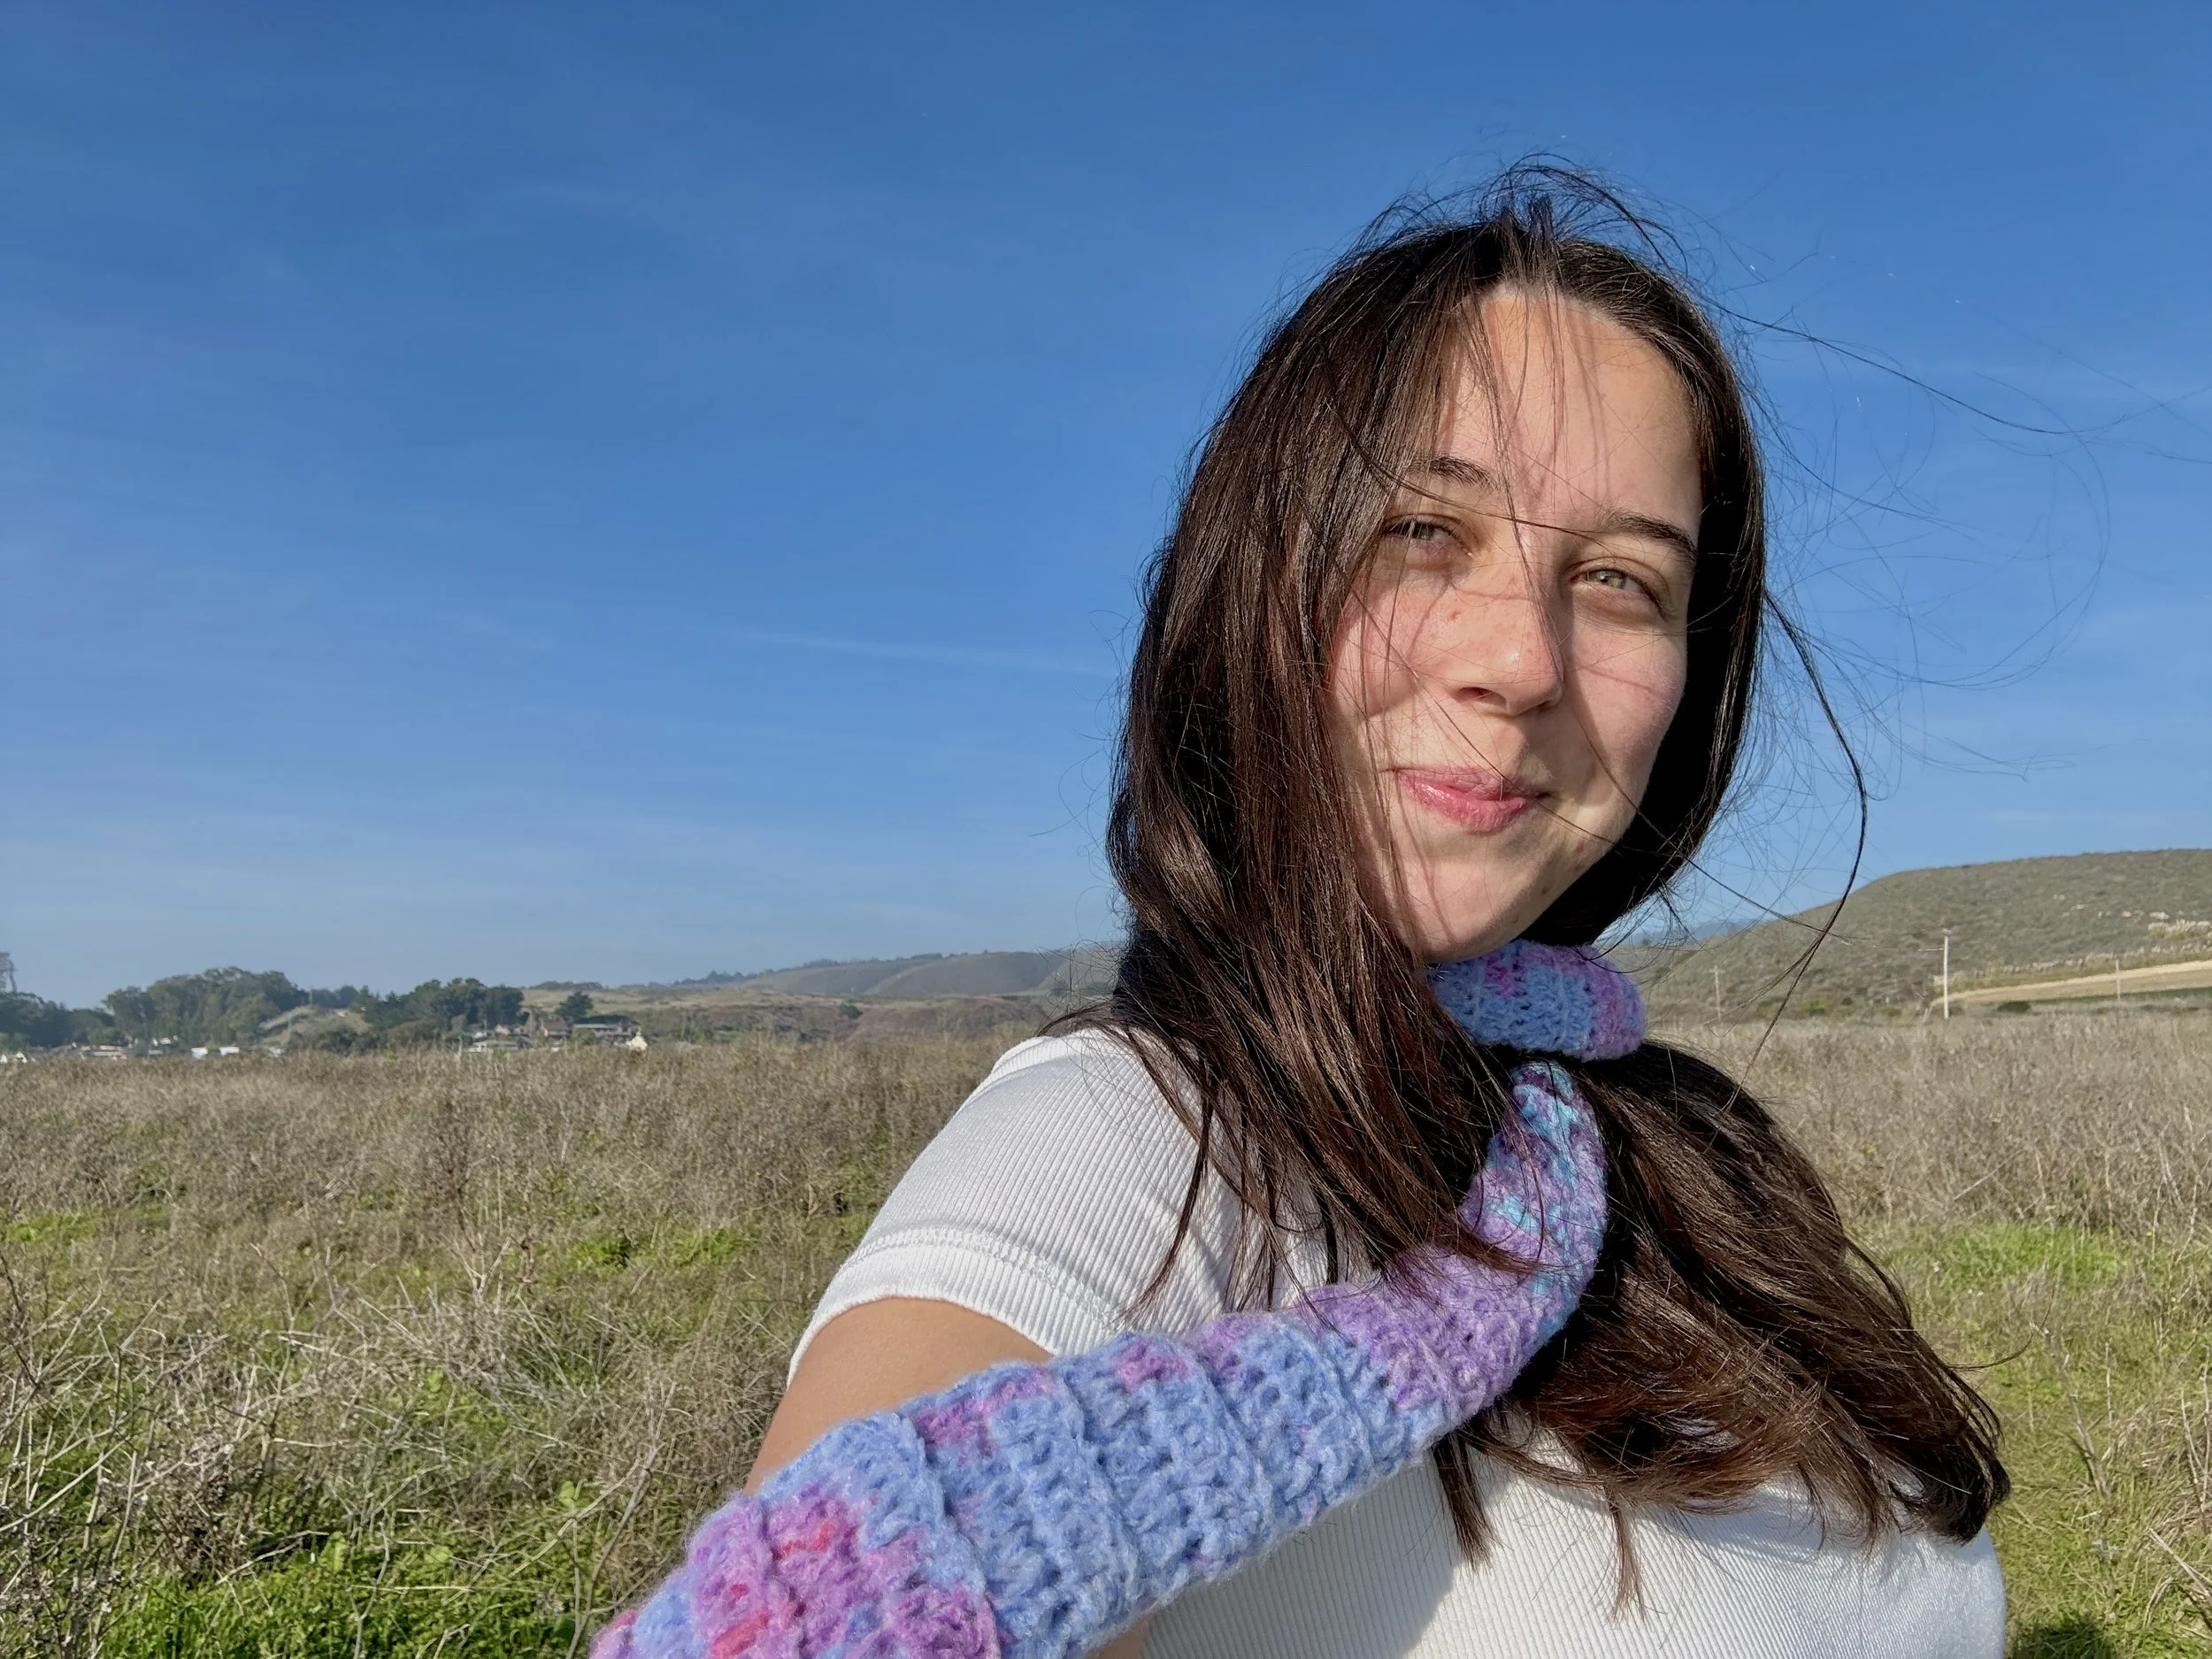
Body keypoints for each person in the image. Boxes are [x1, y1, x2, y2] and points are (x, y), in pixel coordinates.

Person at [651, 170, 2009, 1657]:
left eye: (1621, 578)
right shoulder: (1131, 1139)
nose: (1522, 659)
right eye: (1421, 530)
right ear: (1255, 586)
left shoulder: (1665, 1134)